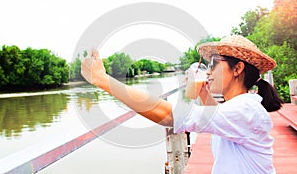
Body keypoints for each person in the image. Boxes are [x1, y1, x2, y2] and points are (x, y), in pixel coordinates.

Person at [81, 35, 283, 174]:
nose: (208, 70)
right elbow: (217, 115)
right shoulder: (239, 108)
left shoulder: (245, 110)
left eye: (214, 63)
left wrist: (104, 80)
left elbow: (170, 115)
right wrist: (203, 91)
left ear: (237, 68)